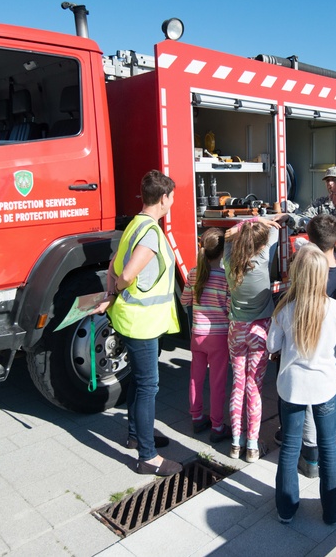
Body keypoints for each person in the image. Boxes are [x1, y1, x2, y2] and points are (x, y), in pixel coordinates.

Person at [99, 169, 181, 477]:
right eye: (172, 198)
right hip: (142, 323)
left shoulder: (135, 224)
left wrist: (111, 292)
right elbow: (129, 273)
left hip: (129, 318)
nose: (172, 202)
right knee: (149, 385)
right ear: (163, 198)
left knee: (138, 380)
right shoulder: (150, 233)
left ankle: (136, 435)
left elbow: (112, 265)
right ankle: (148, 456)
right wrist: (117, 289)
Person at [268, 245, 336, 525]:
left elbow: (272, 345)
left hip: (291, 387)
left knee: (290, 447)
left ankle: (286, 508)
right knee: (328, 447)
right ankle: (331, 509)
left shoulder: (284, 307)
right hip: (325, 386)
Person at [296, 214, 336, 479]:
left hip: (311, 340)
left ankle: (311, 459)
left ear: (310, 239)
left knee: (309, 399)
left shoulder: (305, 270)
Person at [224, 215, 287, 461]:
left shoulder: (229, 260)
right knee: (254, 387)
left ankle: (235, 443)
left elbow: (230, 234)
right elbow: (275, 232)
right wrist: (265, 219)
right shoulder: (262, 260)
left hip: (236, 329)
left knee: (238, 385)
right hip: (260, 331)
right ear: (261, 244)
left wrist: (249, 221)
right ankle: (252, 445)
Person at [179, 228, 231, 443]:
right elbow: (229, 309)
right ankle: (218, 426)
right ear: (222, 252)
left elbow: (184, 301)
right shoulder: (225, 277)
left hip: (197, 335)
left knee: (195, 377)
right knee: (217, 382)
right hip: (218, 337)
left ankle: (197, 417)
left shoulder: (193, 273)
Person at [287, 166, 336, 231]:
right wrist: (288, 218)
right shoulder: (320, 204)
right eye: (328, 180)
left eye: (334, 180)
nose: (330, 183)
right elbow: (305, 218)